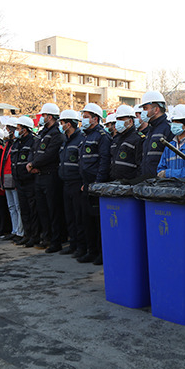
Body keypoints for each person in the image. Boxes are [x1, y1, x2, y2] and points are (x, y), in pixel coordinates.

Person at [27, 103, 65, 253]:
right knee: (42, 209)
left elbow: (50, 154)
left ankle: (56, 240)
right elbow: (34, 150)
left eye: (43, 115)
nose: (41, 118)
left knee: (53, 210)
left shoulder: (56, 134)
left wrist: (34, 163)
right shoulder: (42, 133)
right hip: (39, 176)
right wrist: (31, 163)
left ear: (50, 116)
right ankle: (46, 237)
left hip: (50, 176)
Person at [78, 102, 112, 264]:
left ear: (95, 119)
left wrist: (98, 183)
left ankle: (101, 253)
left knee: (98, 223)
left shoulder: (102, 136)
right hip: (86, 184)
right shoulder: (87, 136)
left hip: (96, 185)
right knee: (87, 221)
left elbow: (104, 162)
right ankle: (91, 251)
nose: (83, 120)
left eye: (86, 117)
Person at [57, 109, 86, 256]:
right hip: (66, 183)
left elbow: (82, 163)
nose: (60, 126)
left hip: (76, 183)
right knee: (69, 216)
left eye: (62, 123)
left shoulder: (80, 139)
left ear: (68, 124)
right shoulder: (65, 141)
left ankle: (81, 247)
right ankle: (73, 244)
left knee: (78, 216)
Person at [11, 116, 40, 248]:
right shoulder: (17, 143)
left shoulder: (33, 141)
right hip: (19, 181)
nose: (16, 131)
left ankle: (35, 236)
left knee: (33, 210)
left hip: (30, 181)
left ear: (25, 129)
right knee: (24, 211)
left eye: (18, 128)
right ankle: (27, 235)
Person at [0, 118, 24, 243]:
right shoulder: (8, 144)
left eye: (9, 129)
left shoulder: (17, 144)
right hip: (6, 178)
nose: (7, 131)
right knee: (11, 207)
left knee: (18, 206)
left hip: (14, 178)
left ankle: (20, 231)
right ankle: (14, 230)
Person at [140, 91, 173, 177]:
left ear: (156, 109)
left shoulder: (168, 129)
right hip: (148, 182)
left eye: (145, 108)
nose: (143, 112)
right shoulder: (150, 130)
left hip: (160, 183)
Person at [110, 104, 143, 181]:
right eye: (117, 119)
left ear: (130, 121)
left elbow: (140, 165)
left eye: (121, 119)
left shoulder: (137, 139)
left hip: (129, 184)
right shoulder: (116, 139)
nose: (118, 122)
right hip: (114, 182)